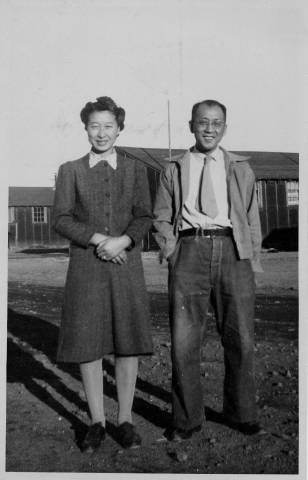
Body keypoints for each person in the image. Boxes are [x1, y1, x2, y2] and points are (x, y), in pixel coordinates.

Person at [153, 99, 263, 442]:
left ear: (225, 128)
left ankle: (241, 412)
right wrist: (171, 251)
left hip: (233, 251)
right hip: (189, 251)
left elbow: (251, 216)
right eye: (203, 122)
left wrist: (251, 259)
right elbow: (161, 215)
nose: (210, 129)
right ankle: (187, 419)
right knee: (185, 340)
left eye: (217, 123)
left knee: (241, 338)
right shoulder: (173, 167)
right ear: (191, 125)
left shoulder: (241, 167)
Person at [53, 96, 153, 452]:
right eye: (94, 125)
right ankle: (97, 422)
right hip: (86, 267)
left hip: (126, 266)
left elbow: (144, 215)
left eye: (108, 125)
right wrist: (99, 240)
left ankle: (124, 420)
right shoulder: (70, 170)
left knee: (127, 342)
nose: (101, 133)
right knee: (89, 343)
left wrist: (124, 240)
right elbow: (61, 218)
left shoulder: (135, 170)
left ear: (120, 128)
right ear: (85, 128)